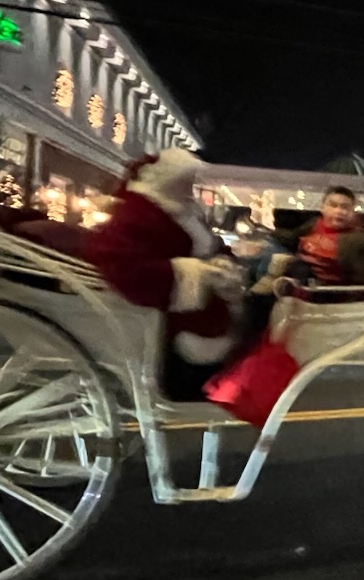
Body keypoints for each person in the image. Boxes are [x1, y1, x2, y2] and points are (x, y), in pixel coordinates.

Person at [85, 149, 245, 396]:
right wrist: (192, 274)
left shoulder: (184, 211)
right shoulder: (138, 212)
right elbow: (121, 264)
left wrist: (224, 263)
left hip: (209, 305)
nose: (189, 188)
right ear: (166, 179)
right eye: (185, 181)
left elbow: (213, 246)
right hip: (177, 321)